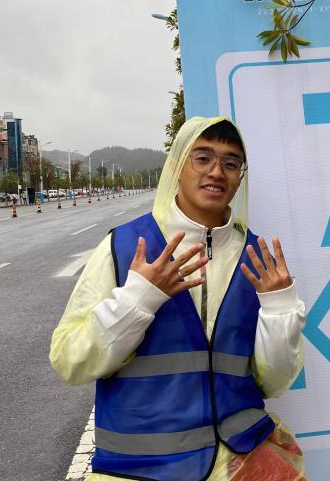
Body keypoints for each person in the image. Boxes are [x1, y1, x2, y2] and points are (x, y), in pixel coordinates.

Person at [50, 116, 307, 481]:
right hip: (139, 468)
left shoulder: (256, 260)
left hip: (239, 462)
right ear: (175, 167)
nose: (216, 172)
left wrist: (279, 308)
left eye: (230, 163)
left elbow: (275, 383)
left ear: (240, 177)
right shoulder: (125, 247)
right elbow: (69, 361)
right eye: (202, 158)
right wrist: (137, 299)